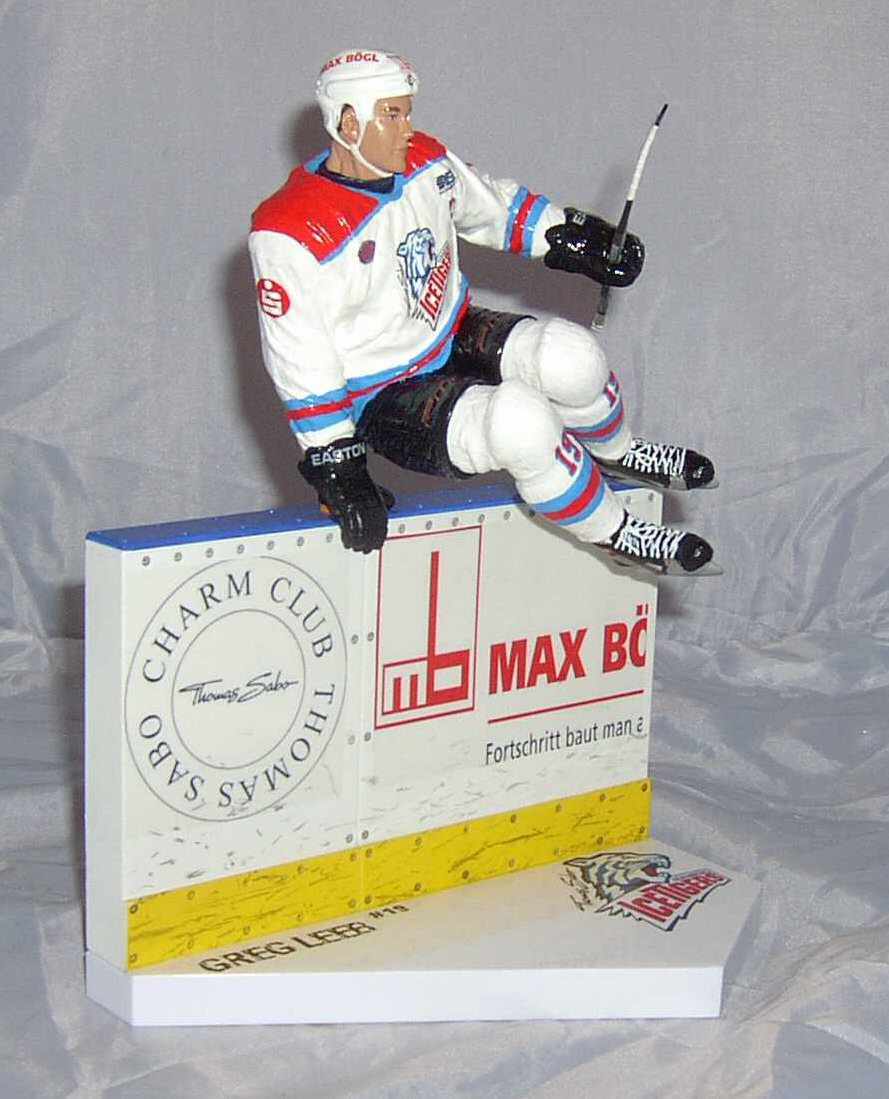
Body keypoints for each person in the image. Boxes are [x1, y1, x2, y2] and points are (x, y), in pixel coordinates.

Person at [249, 49, 716, 573]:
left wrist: (571, 238)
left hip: (449, 332)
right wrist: (336, 461)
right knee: (522, 424)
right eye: (392, 115)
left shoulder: (424, 163)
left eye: (407, 112)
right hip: (381, 392)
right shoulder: (291, 230)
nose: (407, 129)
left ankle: (618, 449)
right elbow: (300, 360)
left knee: (571, 356)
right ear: (349, 122)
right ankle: (617, 531)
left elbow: (491, 208)